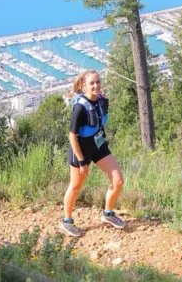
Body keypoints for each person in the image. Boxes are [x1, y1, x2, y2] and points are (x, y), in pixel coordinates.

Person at [61, 69, 125, 237]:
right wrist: (82, 162)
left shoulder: (101, 101)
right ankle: (67, 221)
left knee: (118, 181)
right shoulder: (80, 108)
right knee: (75, 186)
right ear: (83, 86)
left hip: (98, 145)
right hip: (80, 150)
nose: (96, 85)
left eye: (98, 82)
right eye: (91, 83)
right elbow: (72, 137)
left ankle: (108, 214)